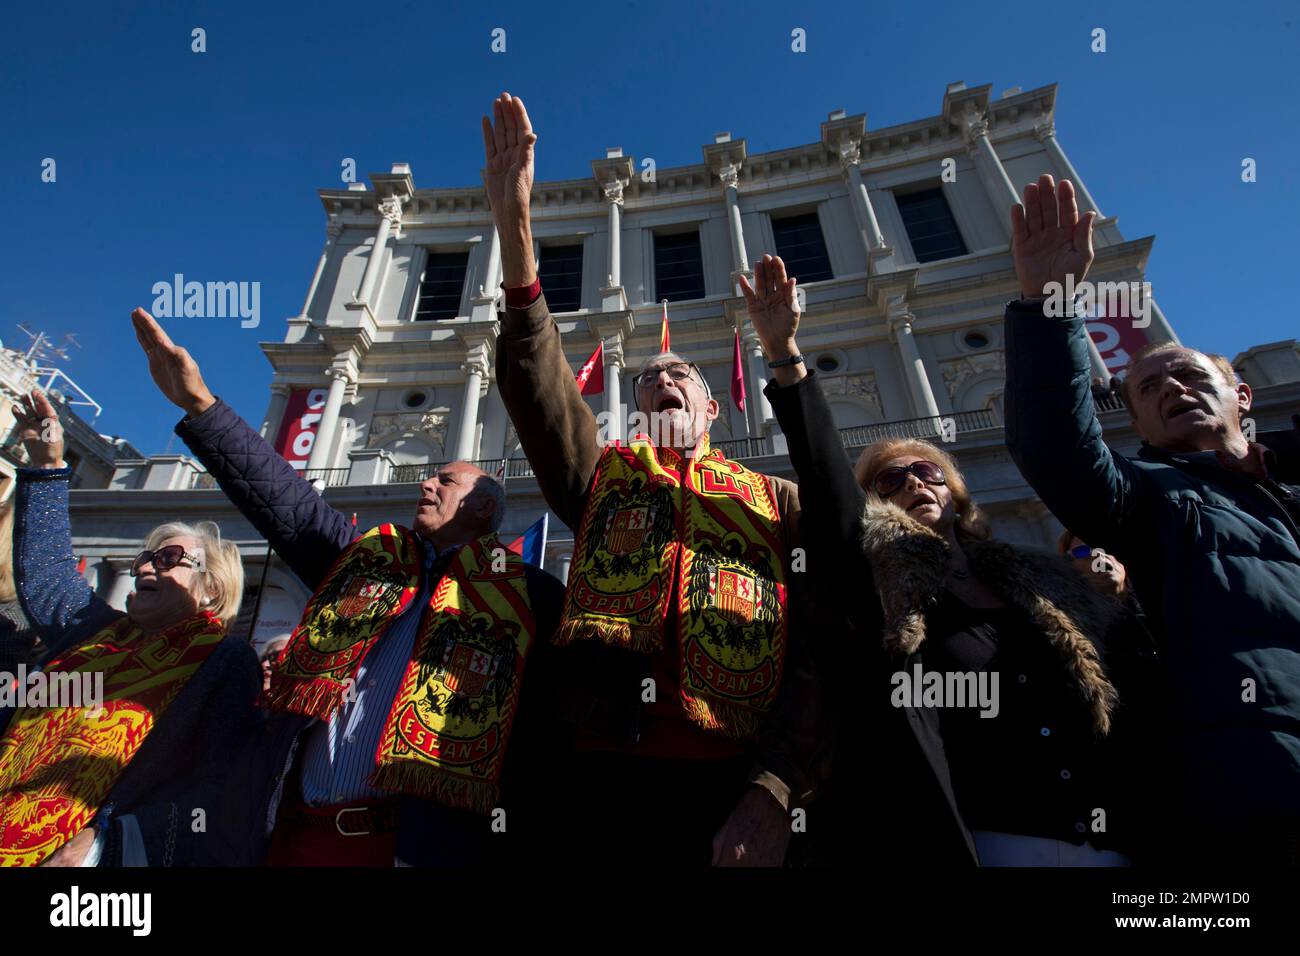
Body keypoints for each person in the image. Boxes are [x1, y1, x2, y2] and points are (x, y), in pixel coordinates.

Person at [482, 92, 829, 865]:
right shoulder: (605, 478)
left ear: (714, 405)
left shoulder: (776, 503)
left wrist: (776, 787)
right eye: (649, 380)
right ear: (636, 410)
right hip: (598, 774)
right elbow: (542, 400)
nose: (662, 380)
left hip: (735, 788)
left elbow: (817, 649)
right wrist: (516, 232)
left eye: (679, 375)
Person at [741, 254, 1161, 866]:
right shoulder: (875, 580)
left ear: (953, 488)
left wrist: (1117, 595)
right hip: (983, 844)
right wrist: (785, 354)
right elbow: (826, 476)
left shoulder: (1044, 580)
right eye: (891, 482)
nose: (914, 482)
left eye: (926, 471)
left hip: (1113, 844)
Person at [130, 308, 573, 867]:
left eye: (445, 480)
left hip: (418, 847)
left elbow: (554, 734)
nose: (426, 481)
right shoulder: (365, 564)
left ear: (484, 507)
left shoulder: (529, 596)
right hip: (293, 834)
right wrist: (201, 405)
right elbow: (286, 503)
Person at [1003, 173, 1300, 863]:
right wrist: (1049, 304)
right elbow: (1057, 450)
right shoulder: (1155, 499)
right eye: (1150, 388)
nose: (1173, 389)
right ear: (1135, 421)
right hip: (1264, 797)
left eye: (1192, 378)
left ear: (1241, 394)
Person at [0, 390, 258, 867]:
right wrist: (46, 464)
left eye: (169, 560)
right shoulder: (96, 631)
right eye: (145, 558)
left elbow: (213, 786)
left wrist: (107, 843)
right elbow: (47, 573)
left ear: (211, 589)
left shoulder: (225, 663)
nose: (145, 568)